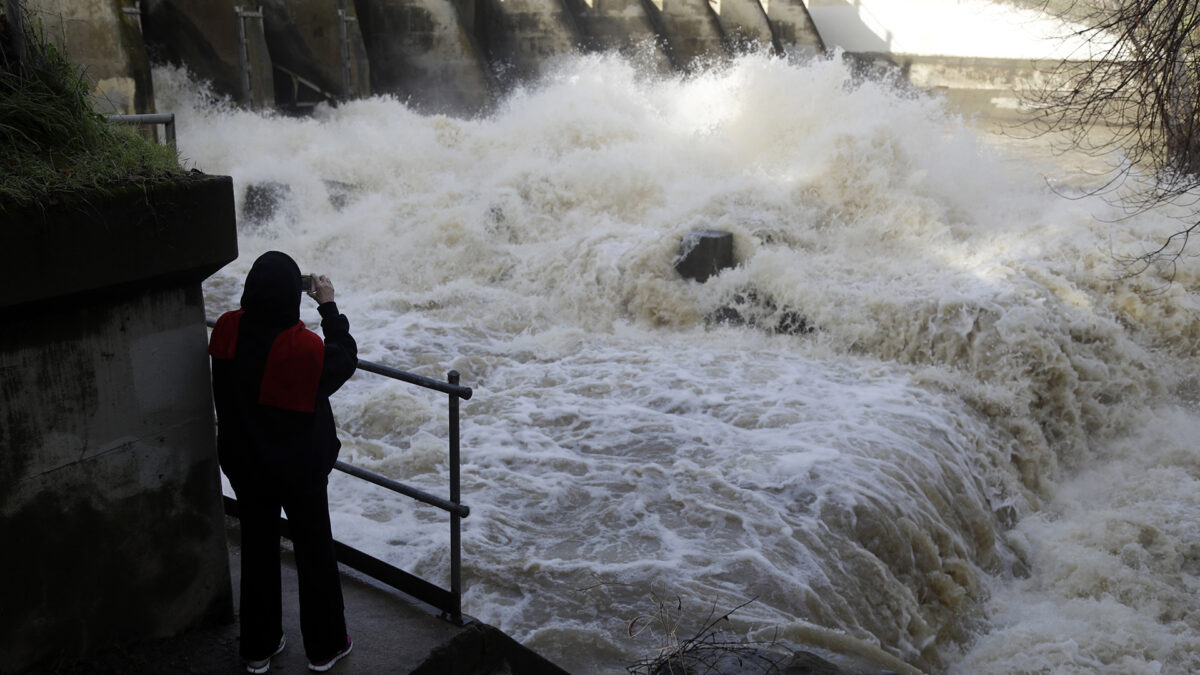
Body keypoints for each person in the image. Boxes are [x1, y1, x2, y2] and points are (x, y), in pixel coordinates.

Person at [209, 251, 357, 673]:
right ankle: (325, 647)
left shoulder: (227, 329)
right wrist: (328, 305)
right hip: (299, 470)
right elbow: (344, 357)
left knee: (257, 551)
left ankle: (258, 647)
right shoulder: (300, 348)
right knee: (314, 554)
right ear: (294, 297)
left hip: (244, 463)